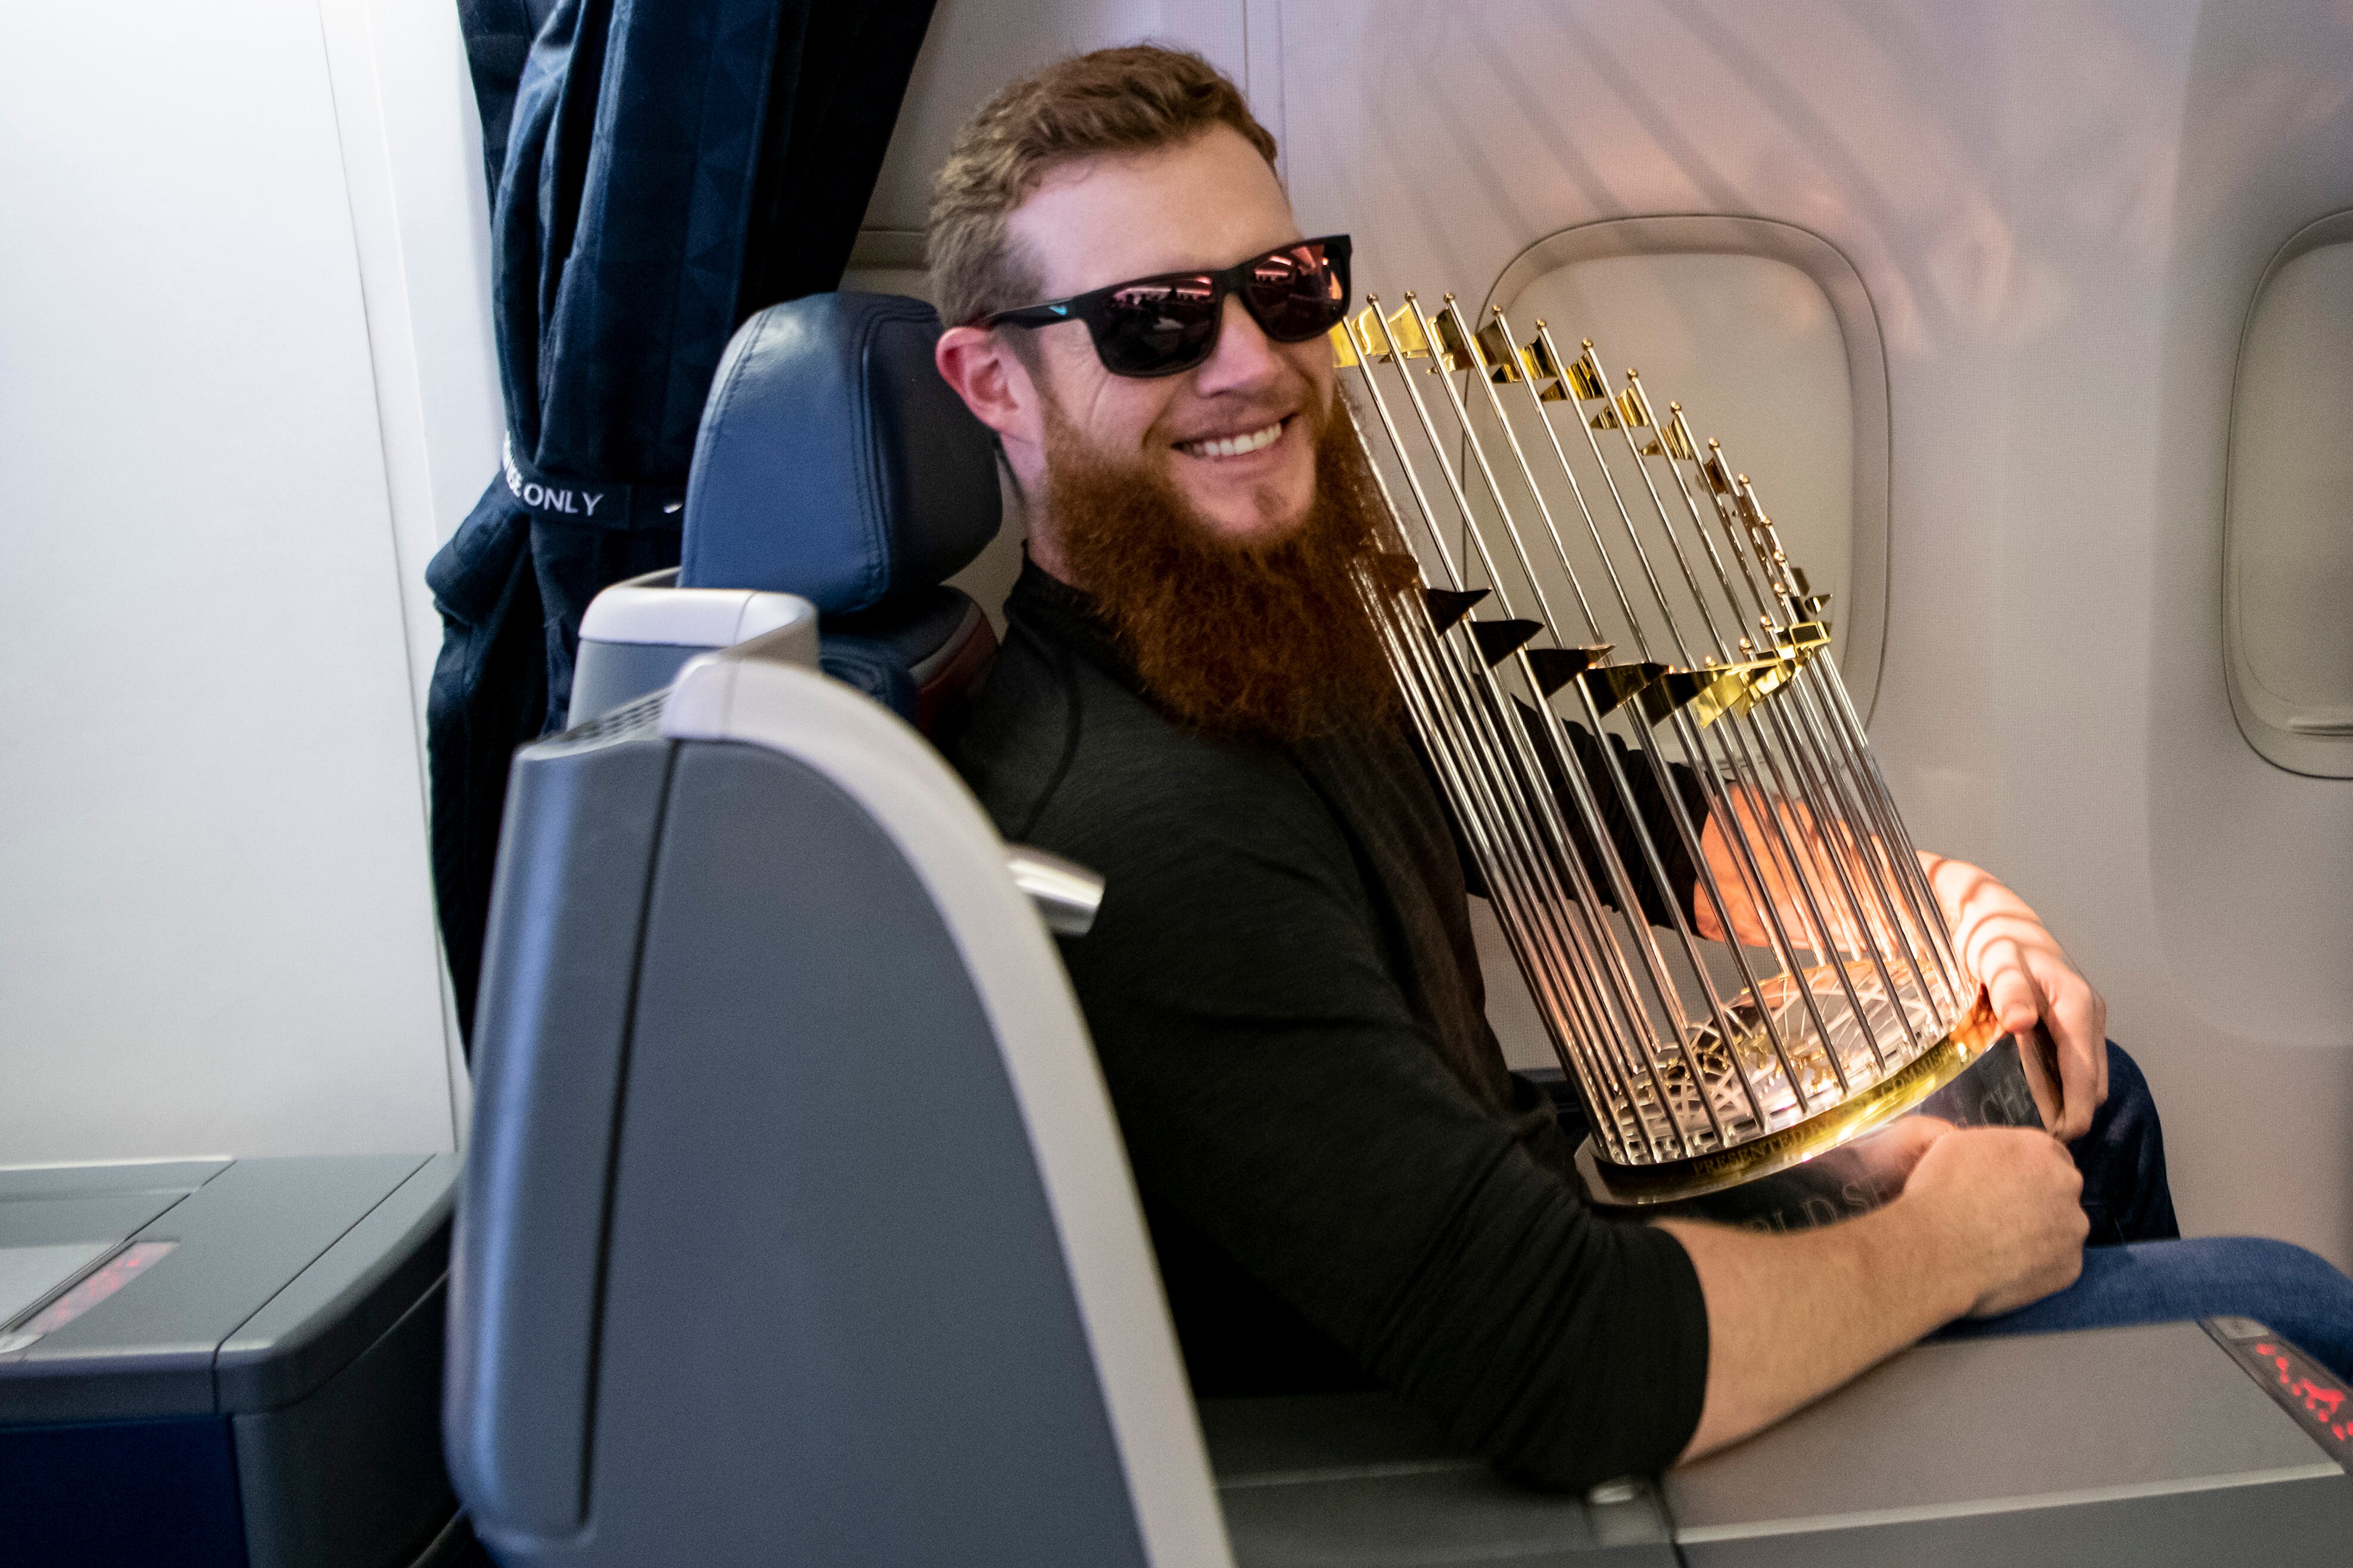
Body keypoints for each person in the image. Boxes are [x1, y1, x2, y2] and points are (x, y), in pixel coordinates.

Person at [927, 44, 2353, 1489]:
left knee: (2078, 1093)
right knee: (2292, 1312)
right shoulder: (1144, 834)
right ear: (994, 378)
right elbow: (1568, 1360)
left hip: (1533, 1246)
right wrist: (1943, 1246)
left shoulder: (1255, 641)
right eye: (1156, 323)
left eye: (1285, 288)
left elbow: (1621, 818)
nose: (1251, 362)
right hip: (1481, 1432)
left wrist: (1942, 912)